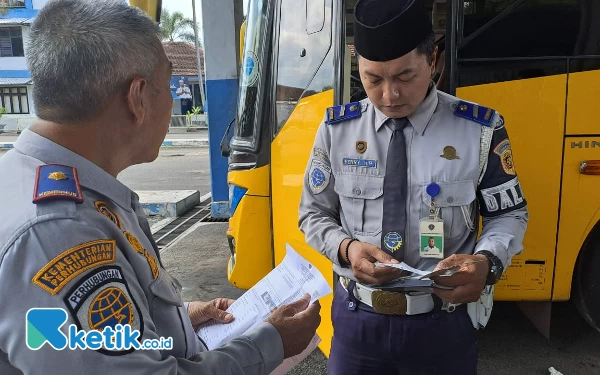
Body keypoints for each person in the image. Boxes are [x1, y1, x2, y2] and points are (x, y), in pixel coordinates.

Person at [0, 0, 320, 374]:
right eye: (168, 85)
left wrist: (180, 319)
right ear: (137, 98)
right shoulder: (57, 231)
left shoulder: (40, 180)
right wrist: (270, 343)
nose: (171, 100)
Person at [298, 0, 528, 373]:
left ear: (433, 60)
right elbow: (313, 213)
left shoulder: (479, 130)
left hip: (444, 325)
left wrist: (489, 262)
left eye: (405, 77)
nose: (389, 96)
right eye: (373, 79)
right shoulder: (336, 131)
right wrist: (347, 248)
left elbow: (510, 214)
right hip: (357, 326)